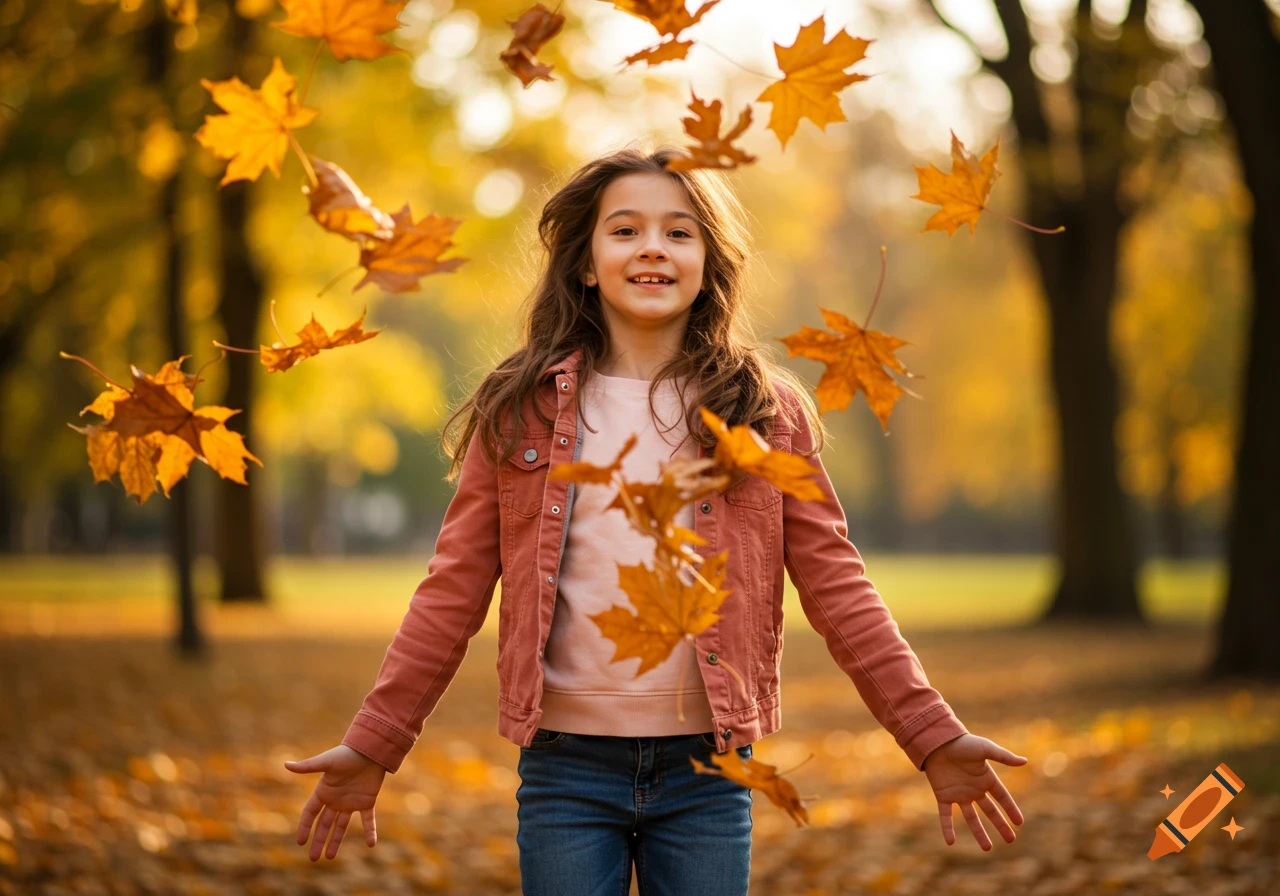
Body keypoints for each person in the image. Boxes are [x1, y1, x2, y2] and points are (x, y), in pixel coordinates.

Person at [284, 144, 1028, 892]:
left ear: (709, 261)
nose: (653, 248)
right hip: (565, 767)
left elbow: (838, 586)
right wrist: (374, 744)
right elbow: (451, 591)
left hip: (709, 769)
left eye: (679, 232)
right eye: (625, 230)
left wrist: (932, 735)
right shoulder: (521, 407)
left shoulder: (763, 413)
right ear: (583, 261)